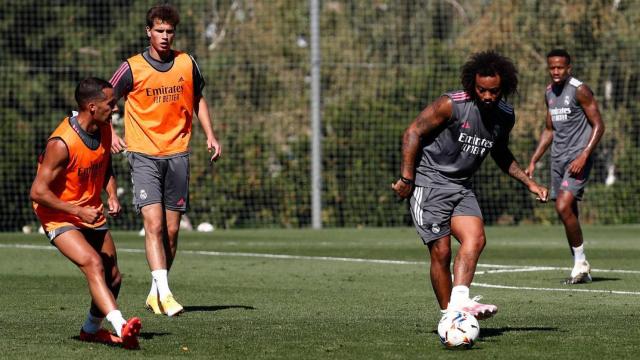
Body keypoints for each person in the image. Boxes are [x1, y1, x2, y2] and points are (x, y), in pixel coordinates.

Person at [391, 51, 548, 321]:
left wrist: (529, 182)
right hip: (430, 182)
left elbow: (500, 153)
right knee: (441, 252)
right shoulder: (451, 104)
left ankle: (460, 302)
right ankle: (449, 316)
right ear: (472, 85)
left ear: (504, 87)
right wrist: (407, 178)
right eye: (482, 90)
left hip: (461, 186)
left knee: (476, 239)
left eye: (494, 91)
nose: (488, 96)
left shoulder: (505, 116)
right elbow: (412, 132)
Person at [109, 4, 221, 316]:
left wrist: (210, 135)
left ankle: (155, 292)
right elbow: (104, 100)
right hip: (144, 154)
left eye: (169, 31)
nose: (164, 36)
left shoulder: (187, 62)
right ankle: (167, 294)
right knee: (154, 225)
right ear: (149, 32)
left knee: (171, 232)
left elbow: (198, 98)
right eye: (159, 30)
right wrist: (110, 133)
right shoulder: (131, 68)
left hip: (178, 153)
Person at [30, 78, 141, 349]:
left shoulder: (104, 129)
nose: (115, 108)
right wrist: (77, 210)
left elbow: (106, 168)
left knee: (113, 276)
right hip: (59, 214)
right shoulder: (61, 143)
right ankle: (121, 325)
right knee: (93, 262)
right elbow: (37, 192)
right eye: (111, 103)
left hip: (89, 210)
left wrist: (112, 195)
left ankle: (91, 330)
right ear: (92, 106)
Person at [526, 49, 605, 284]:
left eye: (560, 67)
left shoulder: (580, 90)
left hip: (577, 160)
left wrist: (584, 155)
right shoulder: (549, 92)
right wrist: (534, 159)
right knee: (568, 211)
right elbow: (549, 129)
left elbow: (599, 125)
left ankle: (581, 262)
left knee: (562, 206)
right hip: (557, 159)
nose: (556, 71)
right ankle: (581, 268)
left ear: (568, 68)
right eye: (552, 67)